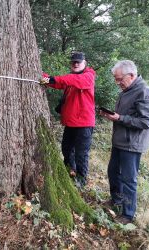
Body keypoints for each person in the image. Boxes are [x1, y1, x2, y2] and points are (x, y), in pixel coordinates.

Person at [100, 60, 149, 224]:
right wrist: (113, 116)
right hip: (119, 141)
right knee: (113, 172)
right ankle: (116, 201)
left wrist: (119, 118)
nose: (117, 83)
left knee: (128, 179)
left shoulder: (144, 91)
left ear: (131, 75)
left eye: (119, 79)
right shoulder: (126, 90)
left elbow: (146, 122)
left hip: (132, 145)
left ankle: (128, 214)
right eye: (115, 79)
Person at [40, 52, 96, 187]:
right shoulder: (71, 79)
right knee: (66, 149)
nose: (75, 64)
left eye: (78, 62)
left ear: (85, 63)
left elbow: (70, 80)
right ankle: (69, 172)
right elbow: (57, 83)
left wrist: (53, 79)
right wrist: (43, 76)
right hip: (70, 123)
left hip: (84, 124)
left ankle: (81, 180)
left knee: (81, 154)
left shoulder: (88, 76)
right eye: (73, 62)